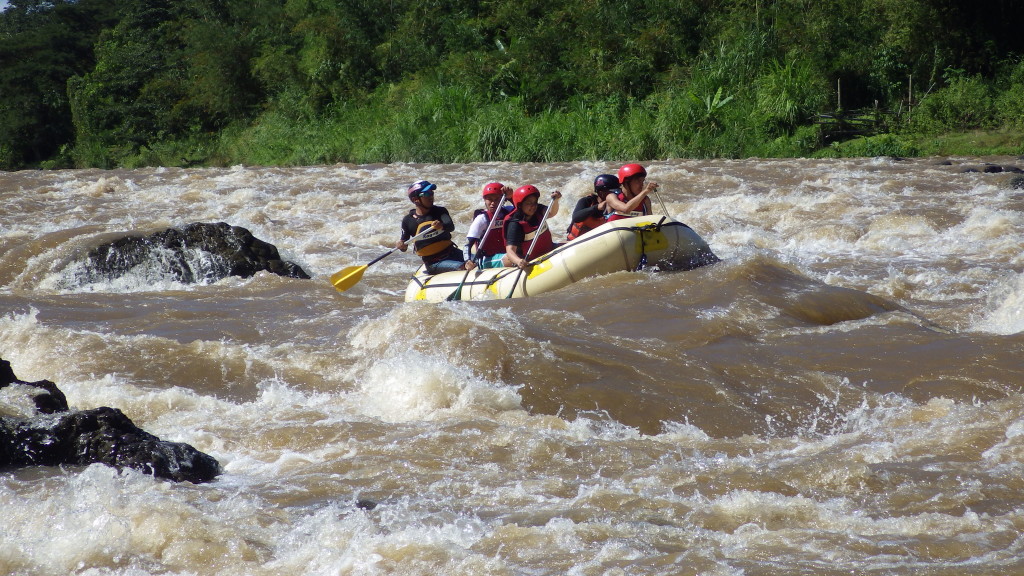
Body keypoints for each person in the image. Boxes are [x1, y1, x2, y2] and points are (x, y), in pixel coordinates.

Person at [396, 180, 476, 274]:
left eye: (431, 193)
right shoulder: (408, 221)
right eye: (426, 194)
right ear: (415, 199)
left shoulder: (440, 211)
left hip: (453, 252)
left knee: (480, 259)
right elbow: (404, 246)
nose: (430, 196)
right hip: (434, 263)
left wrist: (441, 226)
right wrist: (401, 245)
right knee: (464, 267)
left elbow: (450, 227)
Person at [502, 184, 561, 269]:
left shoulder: (538, 209)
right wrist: (518, 261)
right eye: (529, 203)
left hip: (549, 250)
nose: (533, 206)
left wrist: (555, 201)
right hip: (529, 260)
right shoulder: (515, 225)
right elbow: (510, 250)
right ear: (520, 205)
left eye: (534, 202)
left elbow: (551, 213)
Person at [465, 182, 514, 268]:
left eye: (497, 199)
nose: (493, 203)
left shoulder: (508, 211)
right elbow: (468, 244)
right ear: (484, 200)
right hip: (486, 259)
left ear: (503, 200)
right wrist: (468, 261)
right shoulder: (482, 219)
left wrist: (511, 198)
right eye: (490, 199)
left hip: (506, 253)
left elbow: (522, 209)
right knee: (511, 258)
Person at [566, 174, 617, 241]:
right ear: (601, 192)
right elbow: (576, 217)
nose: (616, 194)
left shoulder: (616, 205)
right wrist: (597, 207)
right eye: (613, 191)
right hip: (575, 243)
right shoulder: (586, 201)